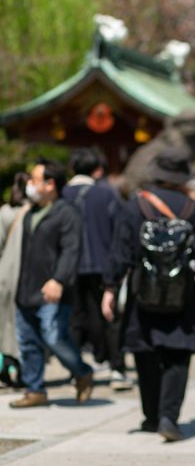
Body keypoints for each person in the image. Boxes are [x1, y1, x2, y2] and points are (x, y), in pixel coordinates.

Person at [102, 147, 195, 441]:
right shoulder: (193, 209)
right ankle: (168, 417)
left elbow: (121, 250)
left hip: (143, 291)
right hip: (184, 293)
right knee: (177, 357)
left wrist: (111, 288)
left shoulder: (136, 205)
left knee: (145, 352)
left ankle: (151, 416)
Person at [10, 159, 94, 408]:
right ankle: (34, 389)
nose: (30, 184)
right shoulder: (31, 211)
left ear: (50, 184)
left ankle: (82, 371)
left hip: (53, 289)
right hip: (26, 286)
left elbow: (71, 250)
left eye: (35, 180)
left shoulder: (67, 212)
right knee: (28, 342)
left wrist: (59, 279)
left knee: (54, 337)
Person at [62, 148, 130, 391]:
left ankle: (76, 369)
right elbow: (120, 230)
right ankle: (117, 368)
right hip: (105, 265)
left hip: (69, 267)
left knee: (74, 317)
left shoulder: (62, 194)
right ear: (97, 169)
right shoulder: (106, 194)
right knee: (110, 316)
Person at [0, 172, 31, 376]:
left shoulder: (4, 212)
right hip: (28, 274)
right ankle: (22, 369)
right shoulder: (34, 212)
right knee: (24, 323)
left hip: (5, 273)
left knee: (5, 323)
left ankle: (6, 367)